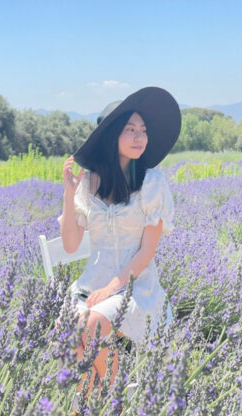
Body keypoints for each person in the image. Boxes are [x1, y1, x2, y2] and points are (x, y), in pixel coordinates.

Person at [57, 86, 181, 399]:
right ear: (112, 136)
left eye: (143, 130)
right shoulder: (88, 183)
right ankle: (86, 404)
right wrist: (69, 194)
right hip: (91, 286)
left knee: (92, 323)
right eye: (130, 130)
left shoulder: (152, 183)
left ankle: (115, 402)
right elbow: (71, 245)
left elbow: (147, 250)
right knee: (69, 330)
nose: (140, 137)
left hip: (137, 288)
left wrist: (112, 288)